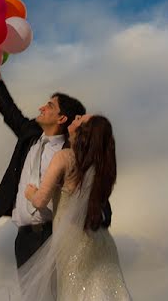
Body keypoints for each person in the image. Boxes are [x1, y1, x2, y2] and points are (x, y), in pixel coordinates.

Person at [0, 71, 113, 270]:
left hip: (54, 235)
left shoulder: (71, 155)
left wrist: (101, 219)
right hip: (23, 239)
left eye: (50, 106)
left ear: (61, 118)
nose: (41, 108)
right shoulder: (30, 135)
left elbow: (93, 193)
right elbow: (9, 111)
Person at [19, 114, 132, 300]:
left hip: (72, 240)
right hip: (101, 240)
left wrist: (30, 193)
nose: (77, 116)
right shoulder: (102, 166)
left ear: (83, 133)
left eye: (81, 119)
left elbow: (40, 201)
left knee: (74, 292)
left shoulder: (64, 158)